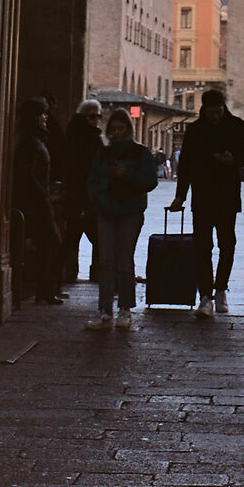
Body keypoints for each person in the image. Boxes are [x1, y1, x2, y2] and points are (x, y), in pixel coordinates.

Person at [171, 86, 244, 315]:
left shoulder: (236, 126)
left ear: (223, 108)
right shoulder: (195, 130)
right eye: (211, 112)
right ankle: (205, 296)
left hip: (227, 194)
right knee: (202, 246)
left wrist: (232, 159)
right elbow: (185, 164)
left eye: (219, 112)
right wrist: (180, 196)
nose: (215, 116)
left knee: (228, 244)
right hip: (202, 194)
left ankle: (221, 289)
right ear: (204, 110)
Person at [84, 107, 159, 327]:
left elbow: (150, 181)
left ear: (128, 129)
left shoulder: (141, 153)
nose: (116, 133)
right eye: (113, 129)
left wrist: (126, 174)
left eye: (120, 129)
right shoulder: (103, 153)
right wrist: (100, 200)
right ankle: (105, 310)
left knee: (125, 261)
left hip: (130, 212)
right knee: (105, 261)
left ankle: (125, 309)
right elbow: (93, 181)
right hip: (106, 211)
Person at [11, 98, 64, 304]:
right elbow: (28, 174)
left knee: (49, 244)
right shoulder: (31, 142)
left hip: (37, 201)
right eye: (42, 114)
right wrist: (44, 194)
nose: (46, 117)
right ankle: (45, 291)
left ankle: (46, 290)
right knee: (50, 243)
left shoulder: (35, 140)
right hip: (36, 204)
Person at [59, 97, 103, 281]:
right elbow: (84, 170)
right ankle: (97, 276)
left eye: (98, 116)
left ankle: (54, 282)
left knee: (71, 242)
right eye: (92, 116)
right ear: (84, 117)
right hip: (84, 200)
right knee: (79, 241)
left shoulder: (78, 134)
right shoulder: (86, 138)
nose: (96, 120)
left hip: (81, 199)